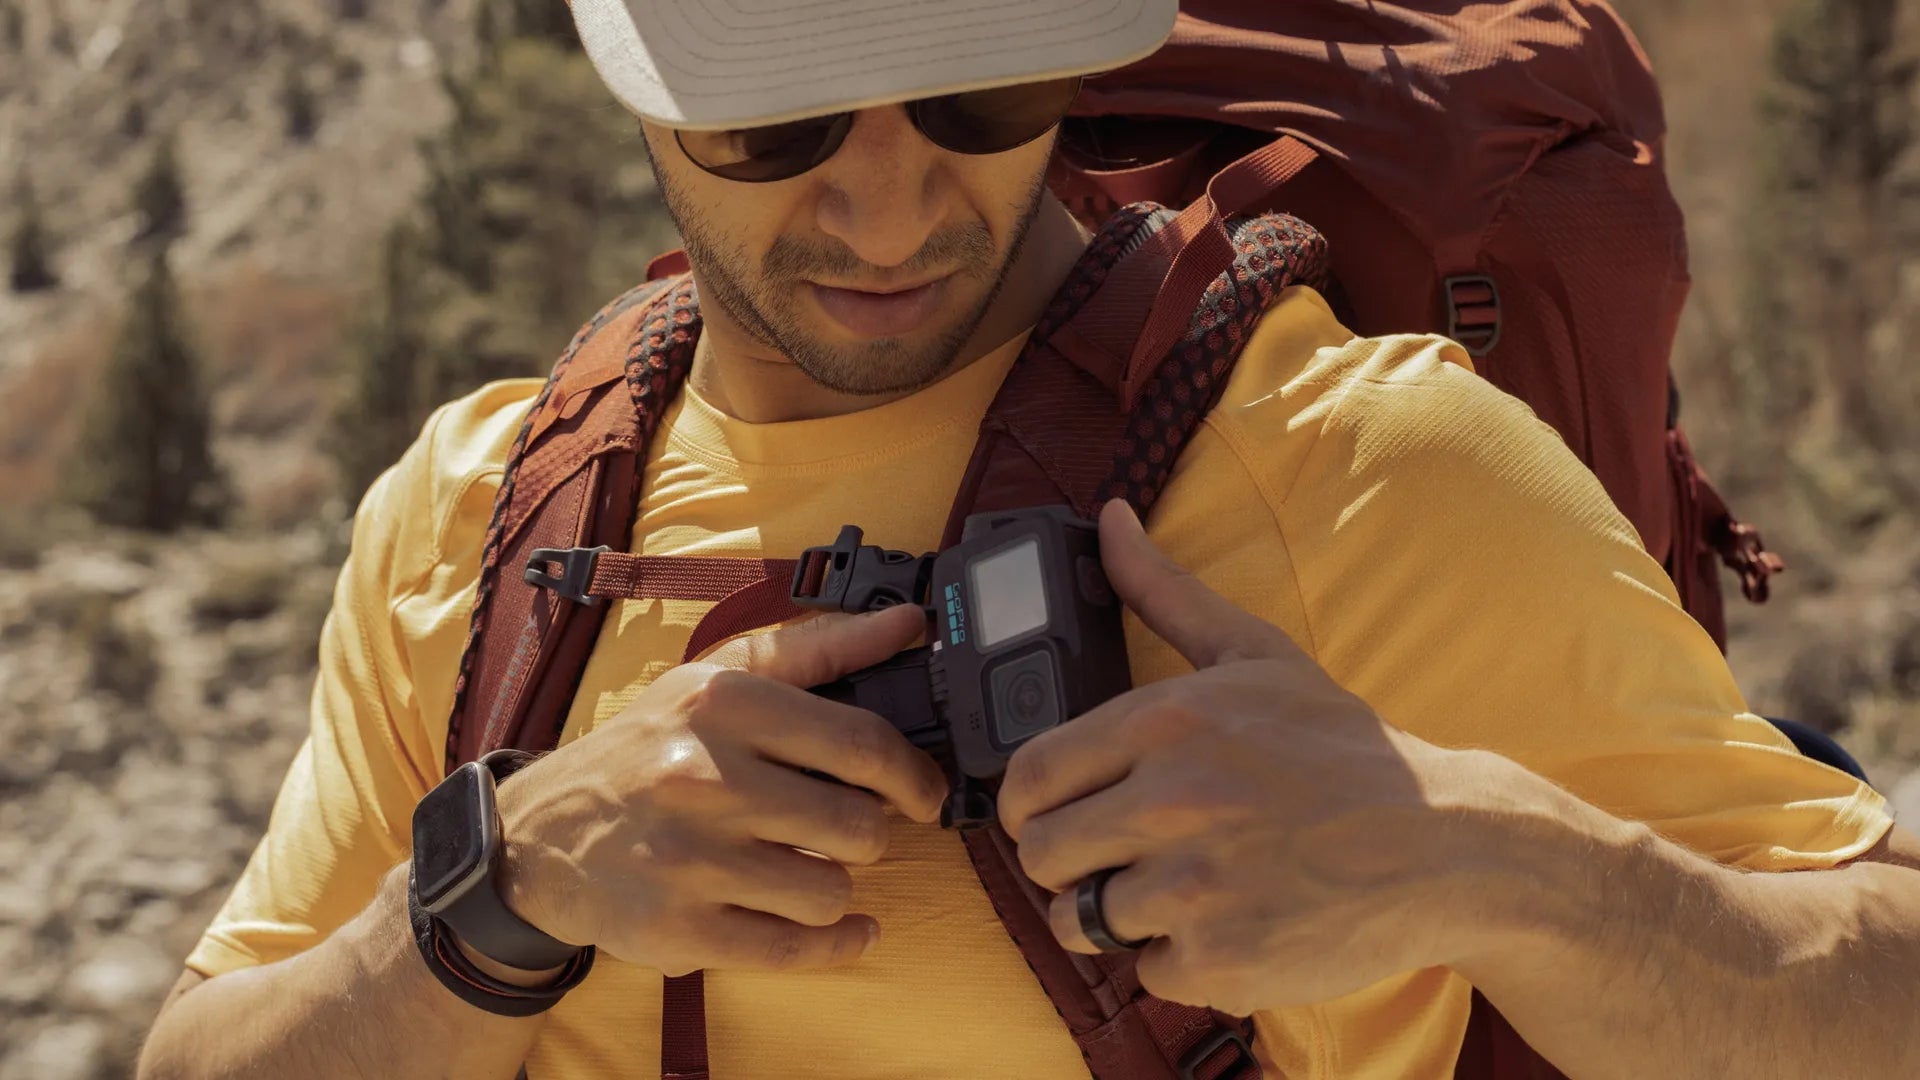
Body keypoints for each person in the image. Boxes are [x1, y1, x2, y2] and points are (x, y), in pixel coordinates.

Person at [138, 2, 1920, 1078]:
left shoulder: (1366, 471)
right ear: (638, 89)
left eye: (983, 100)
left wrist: (1481, 859)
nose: (895, 201)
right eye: (780, 119)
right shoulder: (475, 514)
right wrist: (497, 896)